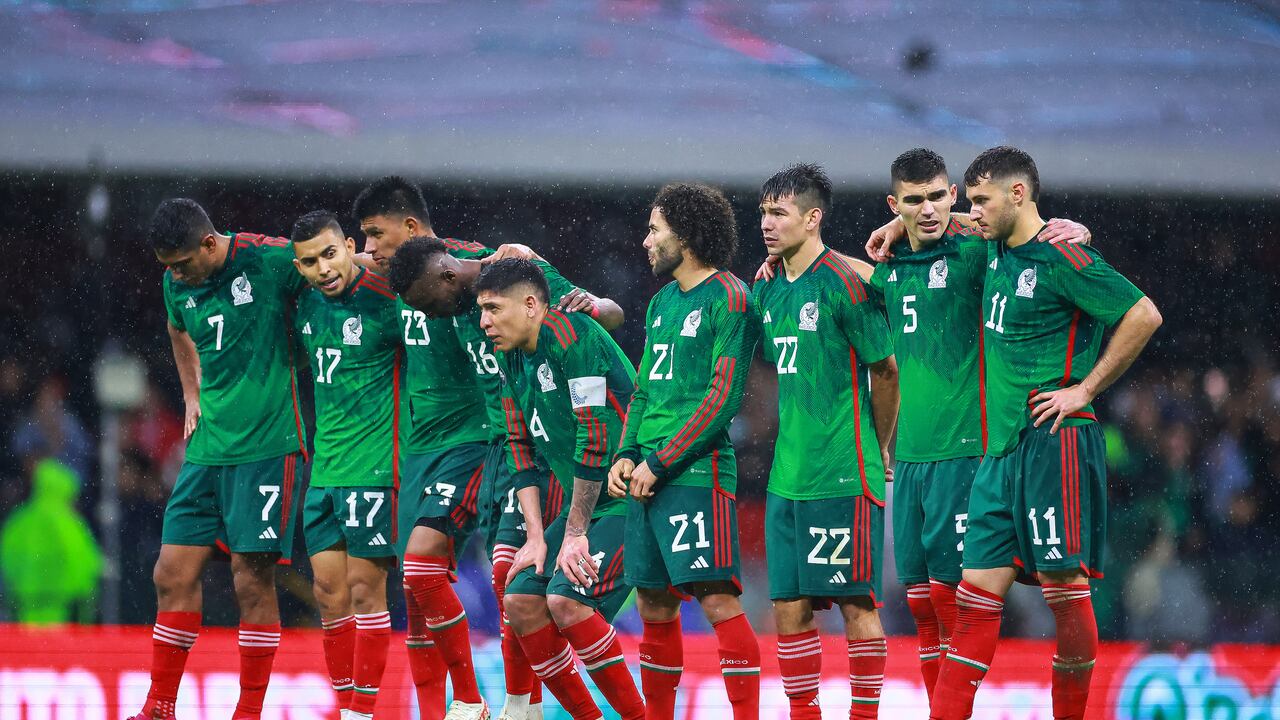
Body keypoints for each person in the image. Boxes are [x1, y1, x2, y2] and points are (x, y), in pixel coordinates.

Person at [928, 147, 1162, 720]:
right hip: (999, 450)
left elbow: (1144, 314)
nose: (972, 212)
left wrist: (1085, 389)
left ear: (1018, 194)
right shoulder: (990, 249)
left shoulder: (1063, 255)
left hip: (1053, 439)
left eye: (982, 200)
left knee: (1064, 591)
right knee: (973, 600)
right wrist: (894, 223)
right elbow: (941, 217)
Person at [388, 233, 624, 720]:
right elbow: (516, 427)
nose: (431, 316)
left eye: (427, 303)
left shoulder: (518, 276)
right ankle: (517, 706)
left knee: (540, 590)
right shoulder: (487, 329)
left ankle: (523, 705)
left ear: (448, 276)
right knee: (515, 587)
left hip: (588, 462)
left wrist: (597, 303)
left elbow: (609, 326)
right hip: (514, 444)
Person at [135, 199, 308, 720]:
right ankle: (160, 706)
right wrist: (191, 392)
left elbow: (337, 266)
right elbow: (177, 329)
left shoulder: (268, 259)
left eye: (183, 264)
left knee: (250, 580)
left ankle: (249, 712)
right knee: (170, 572)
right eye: (168, 267)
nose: (176, 276)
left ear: (210, 244)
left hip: (267, 446)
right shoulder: (176, 281)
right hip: (208, 448)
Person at [607, 183, 762, 720]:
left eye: (655, 229)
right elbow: (647, 387)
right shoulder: (662, 301)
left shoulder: (731, 298)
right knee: (652, 602)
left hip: (695, 473)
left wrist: (661, 460)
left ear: (687, 235)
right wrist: (626, 453)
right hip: (646, 471)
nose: (645, 240)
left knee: (717, 599)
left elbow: (722, 397)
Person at [753, 165, 899, 718]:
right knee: (788, 605)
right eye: (764, 212)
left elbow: (885, 372)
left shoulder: (845, 283)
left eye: (779, 213)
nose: (767, 224)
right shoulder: (770, 288)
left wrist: (879, 446)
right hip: (787, 475)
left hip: (842, 470)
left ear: (813, 219)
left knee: (854, 602)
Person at [476, 259, 645, 720]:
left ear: (532, 305)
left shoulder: (573, 337)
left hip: (634, 497)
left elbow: (594, 438)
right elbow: (519, 446)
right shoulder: (507, 354)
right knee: (520, 599)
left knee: (565, 601)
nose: (484, 321)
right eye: (480, 310)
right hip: (589, 503)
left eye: (493, 308)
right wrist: (535, 536)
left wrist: (573, 533)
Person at [863, 149, 988, 699]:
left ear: (954, 195)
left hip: (961, 452)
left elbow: (1010, 224)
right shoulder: (886, 271)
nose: (929, 208)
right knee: (917, 602)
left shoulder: (972, 255)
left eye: (938, 196)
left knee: (951, 599)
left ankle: (950, 711)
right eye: (913, 200)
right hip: (906, 459)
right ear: (895, 203)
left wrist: (1071, 228)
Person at [291, 211, 401, 720]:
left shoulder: (387, 298)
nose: (322, 269)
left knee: (364, 593)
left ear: (350, 246)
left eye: (330, 254)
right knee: (328, 595)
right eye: (309, 262)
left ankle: (362, 712)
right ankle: (344, 704)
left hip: (374, 470)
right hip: (324, 471)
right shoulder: (304, 305)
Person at [0, 458, 102, 624]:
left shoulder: (19, 521)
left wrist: (17, 589)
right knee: (53, 649)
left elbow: (7, 559)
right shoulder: (70, 524)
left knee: (25, 648)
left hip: (24, 608)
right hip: (61, 608)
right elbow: (85, 565)